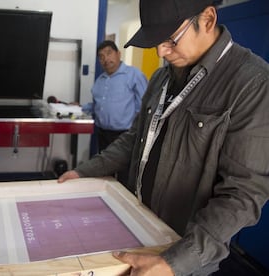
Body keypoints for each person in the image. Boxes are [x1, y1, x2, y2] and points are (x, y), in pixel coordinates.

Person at [58, 0, 269, 275]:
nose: (161, 51)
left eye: (170, 39)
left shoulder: (251, 83)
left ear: (207, 19)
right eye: (156, 41)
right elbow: (133, 140)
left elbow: (243, 193)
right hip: (138, 230)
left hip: (184, 253)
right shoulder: (161, 77)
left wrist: (175, 262)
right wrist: (83, 172)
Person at [81, 40, 147, 184]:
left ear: (118, 54)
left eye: (109, 53)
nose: (105, 59)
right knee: (104, 174)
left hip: (124, 135)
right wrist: (80, 107)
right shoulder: (100, 80)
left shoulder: (133, 75)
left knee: (124, 176)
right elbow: (98, 105)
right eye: (101, 56)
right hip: (103, 134)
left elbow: (145, 106)